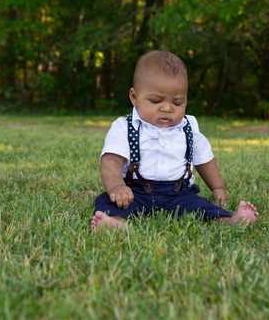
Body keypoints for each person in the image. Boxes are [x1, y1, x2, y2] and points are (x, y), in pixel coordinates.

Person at [91, 50, 258, 231]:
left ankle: (228, 222)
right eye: (156, 101)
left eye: (177, 103)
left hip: (179, 195)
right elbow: (111, 161)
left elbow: (204, 160)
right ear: (134, 97)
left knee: (200, 207)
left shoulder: (189, 127)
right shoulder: (125, 127)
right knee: (112, 204)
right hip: (135, 192)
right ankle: (116, 224)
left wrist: (218, 188)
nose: (167, 108)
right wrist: (116, 186)